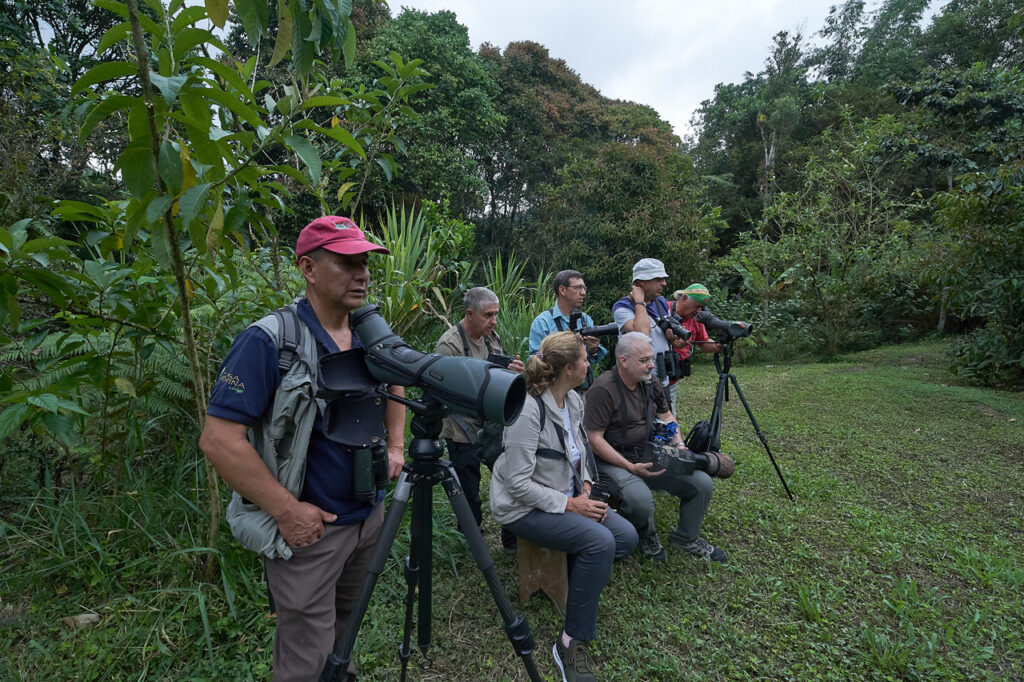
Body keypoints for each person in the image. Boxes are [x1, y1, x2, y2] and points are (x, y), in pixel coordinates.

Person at [199, 216, 407, 682]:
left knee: (345, 631)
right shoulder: (270, 340)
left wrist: (396, 445)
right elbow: (218, 440)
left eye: (365, 262)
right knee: (306, 659)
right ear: (308, 268)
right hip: (312, 532)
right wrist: (287, 511)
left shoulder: (370, 332)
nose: (362, 274)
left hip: (366, 519)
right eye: (347, 262)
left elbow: (396, 381)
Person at [490, 331, 637, 682]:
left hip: (567, 496)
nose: (590, 364)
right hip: (522, 508)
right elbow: (517, 484)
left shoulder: (572, 400)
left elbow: (580, 452)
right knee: (599, 542)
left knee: (627, 538)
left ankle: (580, 564)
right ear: (569, 367)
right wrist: (571, 505)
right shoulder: (528, 410)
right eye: (586, 359)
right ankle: (571, 643)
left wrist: (585, 484)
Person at [584, 332, 726, 563]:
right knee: (640, 500)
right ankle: (647, 534)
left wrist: (679, 445)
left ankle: (686, 537)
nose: (651, 365)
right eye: (643, 360)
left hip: (648, 452)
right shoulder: (603, 390)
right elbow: (594, 439)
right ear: (623, 360)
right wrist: (630, 466)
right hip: (611, 461)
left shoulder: (651, 382)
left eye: (651, 358)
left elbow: (667, 416)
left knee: (701, 483)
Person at [435, 287, 524, 550]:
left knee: (510, 477)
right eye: (488, 315)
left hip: (492, 422)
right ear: (469, 314)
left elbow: (500, 374)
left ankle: (512, 537)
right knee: (468, 489)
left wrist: (512, 373)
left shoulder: (491, 337)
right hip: (461, 425)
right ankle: (470, 539)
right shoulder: (449, 345)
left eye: (496, 314)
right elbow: (444, 392)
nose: (494, 321)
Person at [611, 258, 684, 411]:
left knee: (667, 422)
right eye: (658, 279)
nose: (663, 283)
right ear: (641, 282)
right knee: (643, 425)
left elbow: (661, 330)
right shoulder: (622, 307)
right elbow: (642, 333)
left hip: (663, 375)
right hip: (638, 380)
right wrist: (639, 302)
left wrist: (673, 338)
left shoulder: (661, 301)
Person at [669, 283, 724, 377]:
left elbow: (704, 342)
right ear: (684, 298)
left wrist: (718, 347)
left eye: (702, 308)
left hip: (676, 374)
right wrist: (671, 340)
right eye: (697, 306)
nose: (699, 311)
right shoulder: (663, 309)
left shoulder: (696, 319)